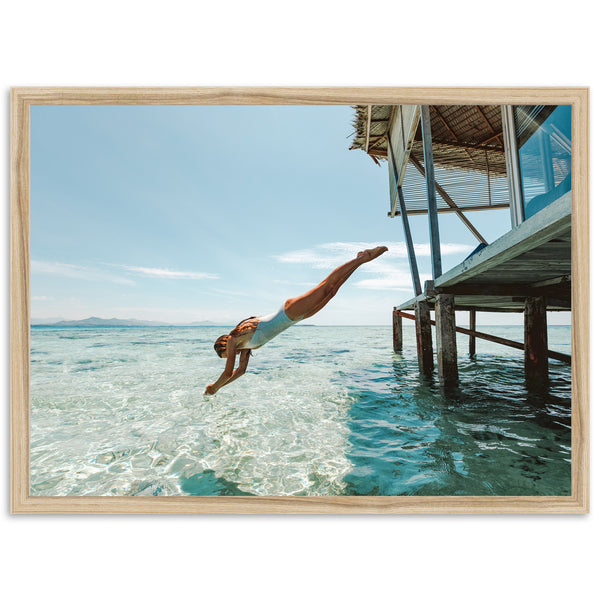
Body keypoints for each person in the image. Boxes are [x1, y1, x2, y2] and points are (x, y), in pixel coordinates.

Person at [204, 246, 388, 395]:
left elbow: (228, 372)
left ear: (222, 344)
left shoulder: (232, 340)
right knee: (331, 292)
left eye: (227, 356)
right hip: (296, 318)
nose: (231, 356)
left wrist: (214, 388)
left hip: (288, 311)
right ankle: (359, 261)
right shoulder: (244, 347)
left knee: (324, 287)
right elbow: (240, 371)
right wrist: (220, 388)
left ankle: (363, 258)